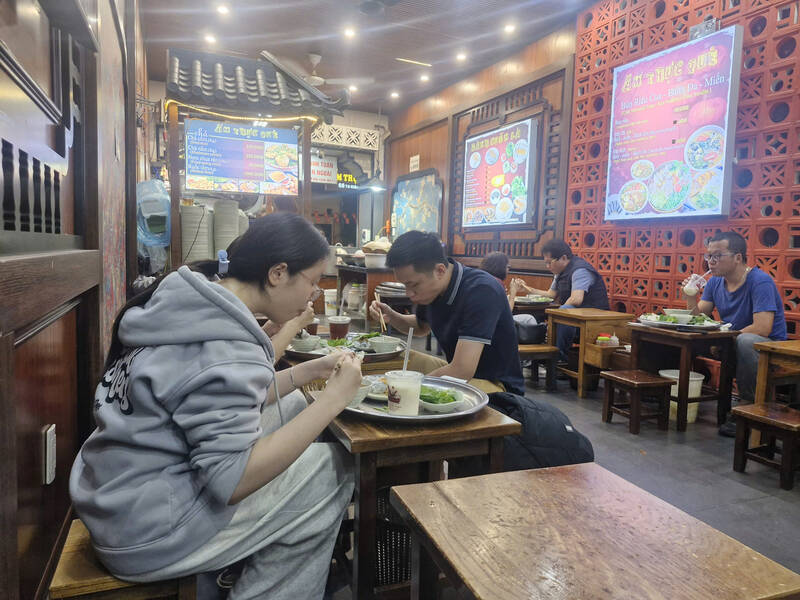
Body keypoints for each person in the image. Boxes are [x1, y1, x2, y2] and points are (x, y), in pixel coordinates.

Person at [69, 213, 362, 600]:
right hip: (149, 535)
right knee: (335, 468)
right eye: (311, 281)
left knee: (292, 406)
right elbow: (233, 481)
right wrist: (333, 400)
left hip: (117, 500)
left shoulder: (190, 300)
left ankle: (247, 559)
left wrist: (310, 370)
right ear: (277, 273)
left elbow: (221, 399)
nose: (313, 295)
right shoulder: (227, 345)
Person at [369, 231, 524, 395]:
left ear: (440, 270)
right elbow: (421, 327)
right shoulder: (433, 290)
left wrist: (410, 386)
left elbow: (462, 370)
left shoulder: (481, 290)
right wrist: (391, 316)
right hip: (460, 374)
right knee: (397, 360)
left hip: (495, 385)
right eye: (404, 286)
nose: (409, 293)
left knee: (404, 392)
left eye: (413, 285)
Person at [683, 231, 786, 437]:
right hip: (730, 340)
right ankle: (662, 391)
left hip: (766, 346)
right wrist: (691, 296)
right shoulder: (714, 282)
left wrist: (725, 337)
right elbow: (698, 317)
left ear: (738, 257)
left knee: (746, 341)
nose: (710, 262)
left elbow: (762, 328)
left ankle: (747, 408)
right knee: (685, 335)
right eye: (708, 256)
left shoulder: (760, 281)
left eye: (717, 256)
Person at [521, 239, 609, 362]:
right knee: (536, 314)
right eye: (545, 263)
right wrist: (528, 289)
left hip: (593, 320)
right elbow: (550, 295)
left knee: (564, 311)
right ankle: (537, 357)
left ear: (563, 258)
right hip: (576, 317)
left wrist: (554, 317)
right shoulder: (560, 271)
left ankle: (559, 359)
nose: (548, 267)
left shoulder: (580, 270)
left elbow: (576, 299)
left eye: (549, 263)